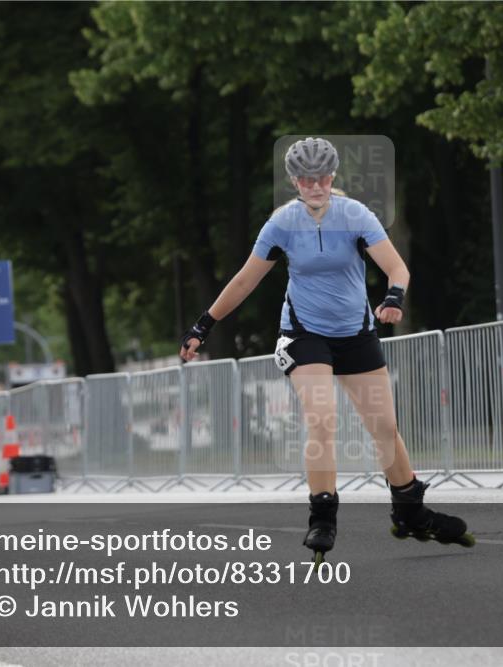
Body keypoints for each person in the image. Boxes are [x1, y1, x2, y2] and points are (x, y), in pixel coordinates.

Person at [178, 138, 473, 561]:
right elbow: (244, 280)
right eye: (305, 180)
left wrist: (394, 297)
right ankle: (322, 516)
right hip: (304, 333)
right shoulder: (281, 224)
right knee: (322, 418)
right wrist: (203, 325)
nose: (314, 186)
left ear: (332, 177)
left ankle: (410, 511)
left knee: (384, 427)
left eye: (321, 178)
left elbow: (396, 267)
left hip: (355, 332)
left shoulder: (355, 215)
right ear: (294, 182)